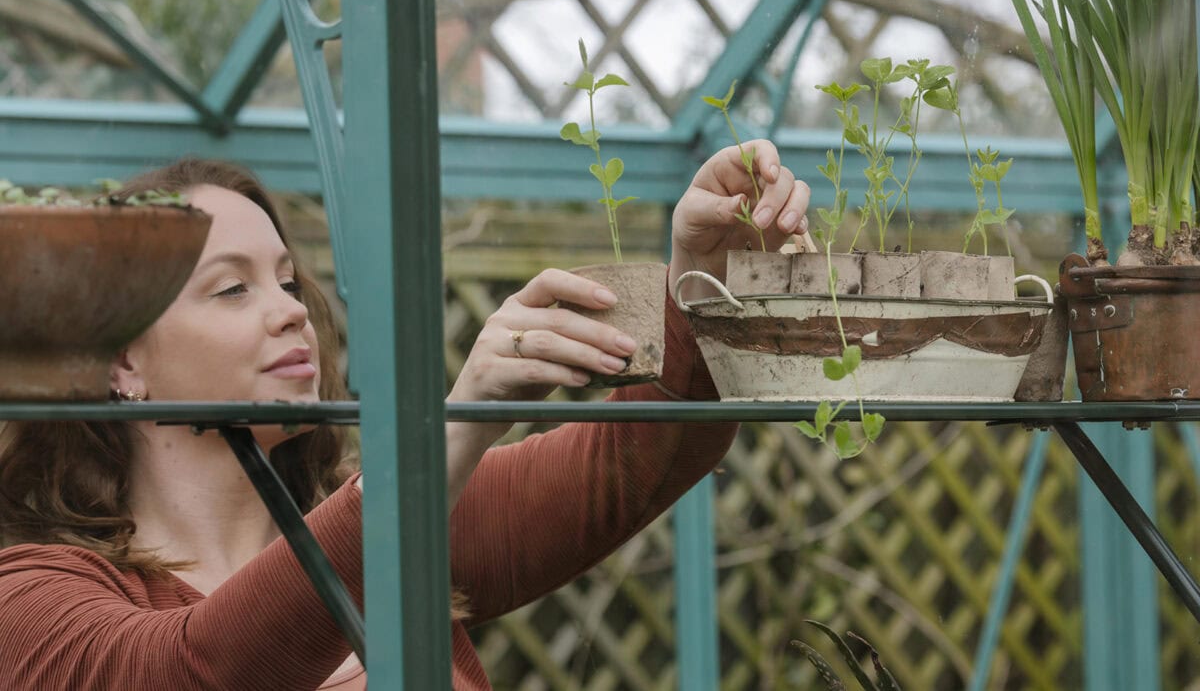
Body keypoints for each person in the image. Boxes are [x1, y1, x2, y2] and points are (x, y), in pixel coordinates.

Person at [0, 143, 809, 690]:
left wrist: (702, 276)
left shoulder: (408, 528)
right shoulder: (29, 599)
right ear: (120, 362)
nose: (289, 312)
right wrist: (452, 427)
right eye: (232, 287)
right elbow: (191, 670)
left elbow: (639, 457)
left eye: (287, 281)